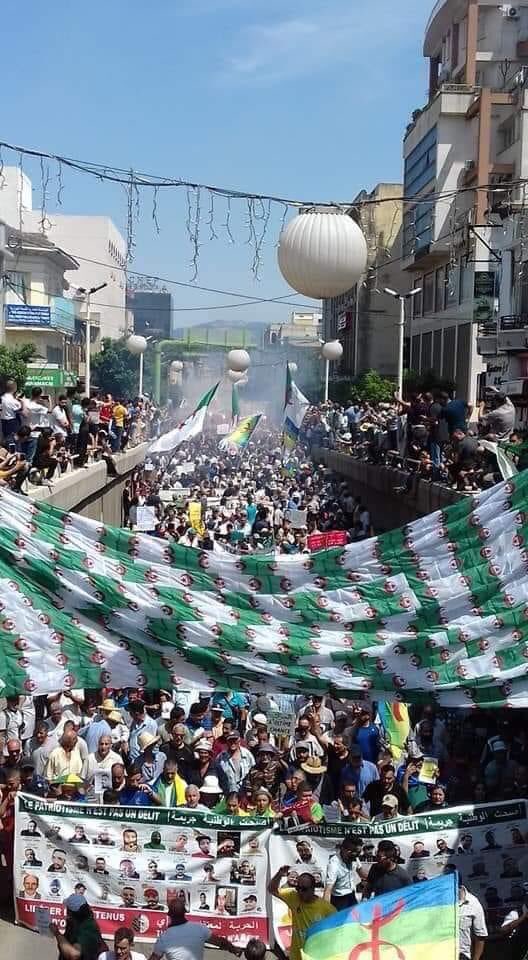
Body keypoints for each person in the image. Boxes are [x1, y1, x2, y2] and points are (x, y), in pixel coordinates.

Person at [268, 867, 335, 960]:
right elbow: (271, 889)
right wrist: (279, 874)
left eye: (304, 889)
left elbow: (336, 933)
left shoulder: (327, 908)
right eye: (298, 888)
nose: (300, 892)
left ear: (313, 888)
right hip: (296, 956)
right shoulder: (293, 897)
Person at [147, 895, 241, 960]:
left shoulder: (164, 938)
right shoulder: (199, 929)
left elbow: (154, 958)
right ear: (184, 912)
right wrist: (234, 949)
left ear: (169, 915)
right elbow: (220, 942)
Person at [49, 894, 105, 960]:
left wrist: (57, 933)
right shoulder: (73, 923)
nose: (67, 913)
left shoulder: (88, 928)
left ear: (72, 913)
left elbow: (74, 954)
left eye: (68, 910)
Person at [324, 835, 363, 909]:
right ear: (343, 849)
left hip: (352, 896)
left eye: (358, 852)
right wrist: (326, 913)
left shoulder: (354, 857)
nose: (356, 855)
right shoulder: (334, 864)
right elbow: (328, 890)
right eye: (354, 852)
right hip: (339, 900)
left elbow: (362, 873)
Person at [459, 882, 487, 960]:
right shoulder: (437, 901)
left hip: (462, 955)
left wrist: (476, 958)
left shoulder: (473, 902)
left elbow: (480, 935)